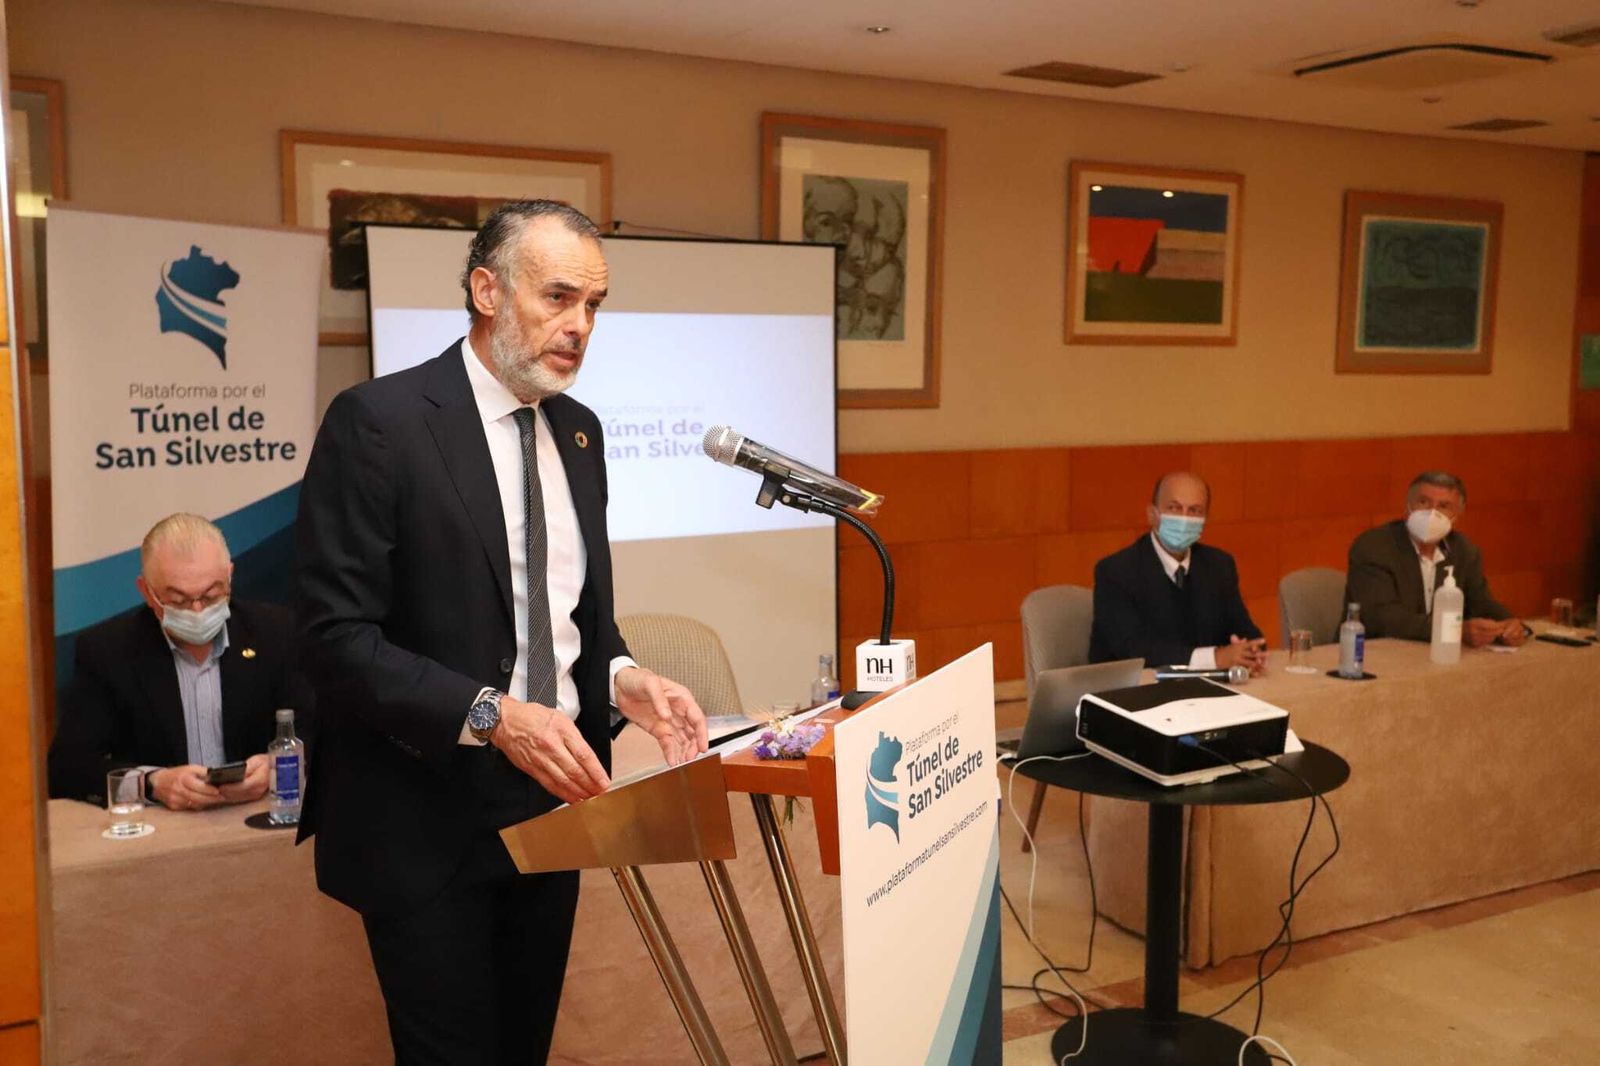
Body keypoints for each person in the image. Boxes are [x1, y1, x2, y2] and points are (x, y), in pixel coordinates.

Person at [295, 199, 710, 1065]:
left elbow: (563, 608)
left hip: (552, 804)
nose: (580, 325)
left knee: (524, 1048)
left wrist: (622, 676)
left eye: (593, 304)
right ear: (487, 291)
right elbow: (335, 639)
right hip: (422, 814)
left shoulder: (580, 431)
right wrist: (491, 715)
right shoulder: (380, 423)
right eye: (558, 297)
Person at [47, 513, 306, 808]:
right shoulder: (108, 651)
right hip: (161, 828)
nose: (197, 611)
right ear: (147, 592)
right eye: (179, 601)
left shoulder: (275, 633)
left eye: (211, 595)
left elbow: (318, 732)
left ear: (230, 577)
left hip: (253, 817)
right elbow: (66, 768)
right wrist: (151, 783)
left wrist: (277, 763)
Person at [1089, 471, 1267, 672]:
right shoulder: (1116, 572)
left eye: (1194, 510)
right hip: (1136, 688)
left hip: (1205, 686)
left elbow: (1246, 631)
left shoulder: (1219, 565)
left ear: (1205, 519)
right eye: (1174, 508)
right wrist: (1214, 658)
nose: (1184, 518)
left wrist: (1250, 651)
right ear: (1152, 514)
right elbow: (1133, 649)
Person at [1345, 471, 1526, 646]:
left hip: (1437, 654)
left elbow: (1482, 603)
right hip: (1374, 653)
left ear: (1456, 515)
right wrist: (1455, 630)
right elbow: (1380, 618)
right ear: (1407, 506)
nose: (1432, 512)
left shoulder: (1463, 550)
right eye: (1423, 502)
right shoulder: (1374, 546)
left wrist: (1511, 626)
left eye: (1443, 506)